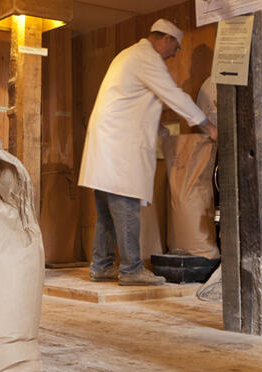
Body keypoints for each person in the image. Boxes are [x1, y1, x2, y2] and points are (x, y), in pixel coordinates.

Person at [79, 19, 218, 286]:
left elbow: (136, 105)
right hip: (119, 147)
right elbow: (172, 95)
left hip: (108, 143)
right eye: (175, 47)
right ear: (164, 39)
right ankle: (131, 270)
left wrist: (166, 136)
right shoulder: (146, 58)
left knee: (106, 211)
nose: (175, 54)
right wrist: (207, 125)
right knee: (126, 205)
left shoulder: (128, 56)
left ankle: (101, 265)